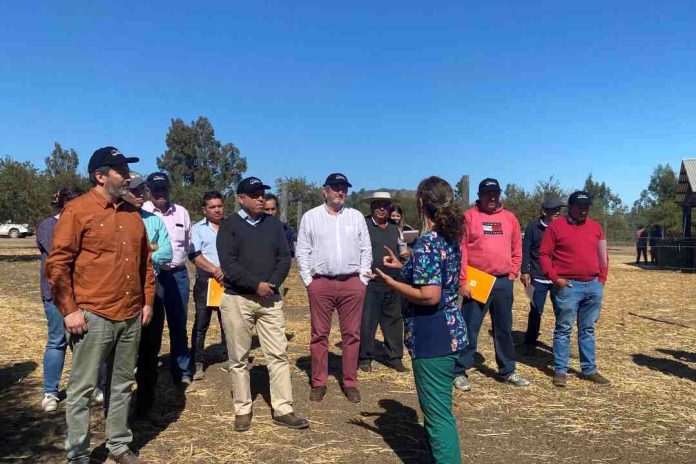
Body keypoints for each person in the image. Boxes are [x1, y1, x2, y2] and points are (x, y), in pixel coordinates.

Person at [46, 146, 154, 464]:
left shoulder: (133, 215)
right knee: (82, 388)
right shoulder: (78, 211)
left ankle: (118, 444)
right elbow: (58, 264)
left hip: (131, 314)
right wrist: (70, 310)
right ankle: (78, 454)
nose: (128, 177)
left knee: (121, 384)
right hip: (93, 315)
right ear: (101, 175)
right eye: (121, 172)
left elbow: (145, 262)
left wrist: (147, 301)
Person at [374, 176, 466, 464]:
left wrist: (391, 282)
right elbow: (436, 275)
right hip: (449, 332)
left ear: (422, 203)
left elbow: (429, 295)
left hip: (432, 336)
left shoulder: (428, 242)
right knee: (439, 410)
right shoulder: (448, 237)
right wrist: (404, 266)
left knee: (438, 417)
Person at [217, 177, 308, 432]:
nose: (260, 198)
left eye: (262, 193)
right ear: (240, 198)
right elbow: (229, 264)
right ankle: (243, 409)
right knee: (239, 357)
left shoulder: (274, 225)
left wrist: (272, 284)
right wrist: (256, 285)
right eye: (254, 194)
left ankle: (283, 408)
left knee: (278, 354)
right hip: (238, 299)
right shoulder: (229, 226)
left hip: (270, 300)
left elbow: (284, 257)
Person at [295, 173, 372, 403]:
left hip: (351, 283)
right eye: (336, 187)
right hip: (321, 283)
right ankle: (319, 382)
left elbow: (366, 249)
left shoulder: (356, 217)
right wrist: (309, 281)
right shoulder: (311, 217)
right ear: (325, 191)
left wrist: (362, 280)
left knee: (352, 335)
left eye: (344, 188)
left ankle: (350, 381)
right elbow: (302, 251)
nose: (341, 192)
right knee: (319, 335)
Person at [454, 178, 530, 390]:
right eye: (488, 194)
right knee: (470, 326)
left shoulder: (509, 218)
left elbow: (517, 247)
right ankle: (460, 371)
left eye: (496, 193)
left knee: (504, 328)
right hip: (477, 279)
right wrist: (462, 281)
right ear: (479, 195)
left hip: (503, 281)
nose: (493, 197)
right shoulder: (468, 218)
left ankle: (508, 370)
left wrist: (513, 271)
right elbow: (462, 251)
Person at [119, 173, 175, 421]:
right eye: (134, 189)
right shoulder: (113, 219)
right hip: (120, 295)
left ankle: (145, 407)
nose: (140, 193)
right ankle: (118, 412)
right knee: (119, 356)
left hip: (151, 293)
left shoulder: (154, 221)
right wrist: (149, 250)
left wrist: (147, 254)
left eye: (143, 188)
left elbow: (167, 252)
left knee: (149, 352)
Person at [540, 190, 610, 387]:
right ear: (570, 207)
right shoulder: (556, 226)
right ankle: (560, 370)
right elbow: (544, 255)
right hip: (568, 286)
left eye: (586, 207)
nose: (583, 211)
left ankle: (589, 369)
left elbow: (603, 255)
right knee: (564, 329)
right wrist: (555, 278)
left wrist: (601, 280)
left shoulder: (596, 228)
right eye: (580, 207)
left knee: (587, 328)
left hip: (593, 285)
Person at [142, 172, 194, 389]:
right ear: (148, 191)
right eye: (156, 190)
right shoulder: (142, 212)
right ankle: (145, 370)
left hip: (178, 276)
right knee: (148, 325)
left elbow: (188, 242)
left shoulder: (181, 212)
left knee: (178, 323)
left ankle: (181, 370)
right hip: (151, 275)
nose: (161, 194)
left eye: (164, 189)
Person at [36, 187, 85, 412]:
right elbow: (61, 254)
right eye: (72, 203)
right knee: (57, 340)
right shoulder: (48, 225)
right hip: (56, 293)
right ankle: (50, 392)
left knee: (83, 344)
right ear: (64, 204)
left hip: (84, 293)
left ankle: (86, 387)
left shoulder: (85, 223)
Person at [358, 192, 407, 373]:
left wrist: (406, 254)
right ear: (372, 206)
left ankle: (395, 357)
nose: (381, 208)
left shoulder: (395, 228)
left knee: (394, 321)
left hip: (393, 282)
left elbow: (402, 249)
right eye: (378, 204)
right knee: (367, 322)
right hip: (370, 283)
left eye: (385, 205)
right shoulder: (363, 225)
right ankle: (365, 357)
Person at [189, 191, 228, 381]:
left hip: (227, 281)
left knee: (228, 321)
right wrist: (214, 270)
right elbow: (194, 256)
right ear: (204, 210)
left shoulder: (230, 227)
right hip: (206, 281)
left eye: (219, 206)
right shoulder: (197, 229)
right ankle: (197, 362)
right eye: (212, 207)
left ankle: (228, 356)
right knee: (201, 323)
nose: (217, 210)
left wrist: (226, 271)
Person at [521, 198, 565, 354]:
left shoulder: (563, 226)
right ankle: (530, 342)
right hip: (538, 276)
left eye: (559, 209)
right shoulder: (533, 227)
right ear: (544, 212)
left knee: (561, 311)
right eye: (554, 210)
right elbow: (525, 249)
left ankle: (560, 345)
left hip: (557, 277)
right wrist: (525, 271)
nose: (558, 212)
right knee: (535, 310)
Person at [263, 193, 295, 257]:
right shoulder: (254, 229)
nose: (270, 212)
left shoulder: (286, 230)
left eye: (273, 209)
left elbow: (289, 256)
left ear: (277, 209)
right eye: (267, 209)